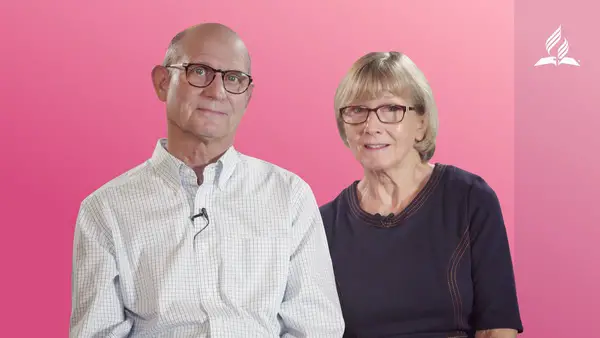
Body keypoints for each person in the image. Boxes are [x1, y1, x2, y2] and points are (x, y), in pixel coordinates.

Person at [69, 23, 344, 338]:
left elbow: (316, 327)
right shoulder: (106, 210)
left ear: (248, 96)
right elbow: (97, 333)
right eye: (199, 72)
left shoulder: (289, 196)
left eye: (233, 79)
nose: (217, 92)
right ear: (162, 82)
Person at [320, 51, 523, 338]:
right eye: (357, 110)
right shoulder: (323, 225)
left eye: (391, 109)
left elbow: (496, 328)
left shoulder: (469, 199)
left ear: (421, 124)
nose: (371, 126)